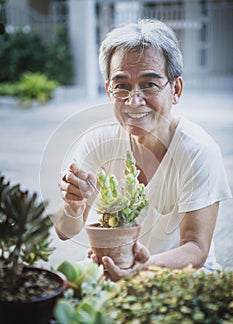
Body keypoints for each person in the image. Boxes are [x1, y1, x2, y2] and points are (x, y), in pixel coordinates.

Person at [55, 19, 232, 281]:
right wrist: (73, 206)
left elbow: (196, 248)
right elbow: (64, 231)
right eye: (122, 86)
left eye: (149, 84)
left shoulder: (198, 150)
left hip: (181, 275)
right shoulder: (96, 143)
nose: (134, 101)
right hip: (113, 270)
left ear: (176, 90)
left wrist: (139, 269)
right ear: (108, 91)